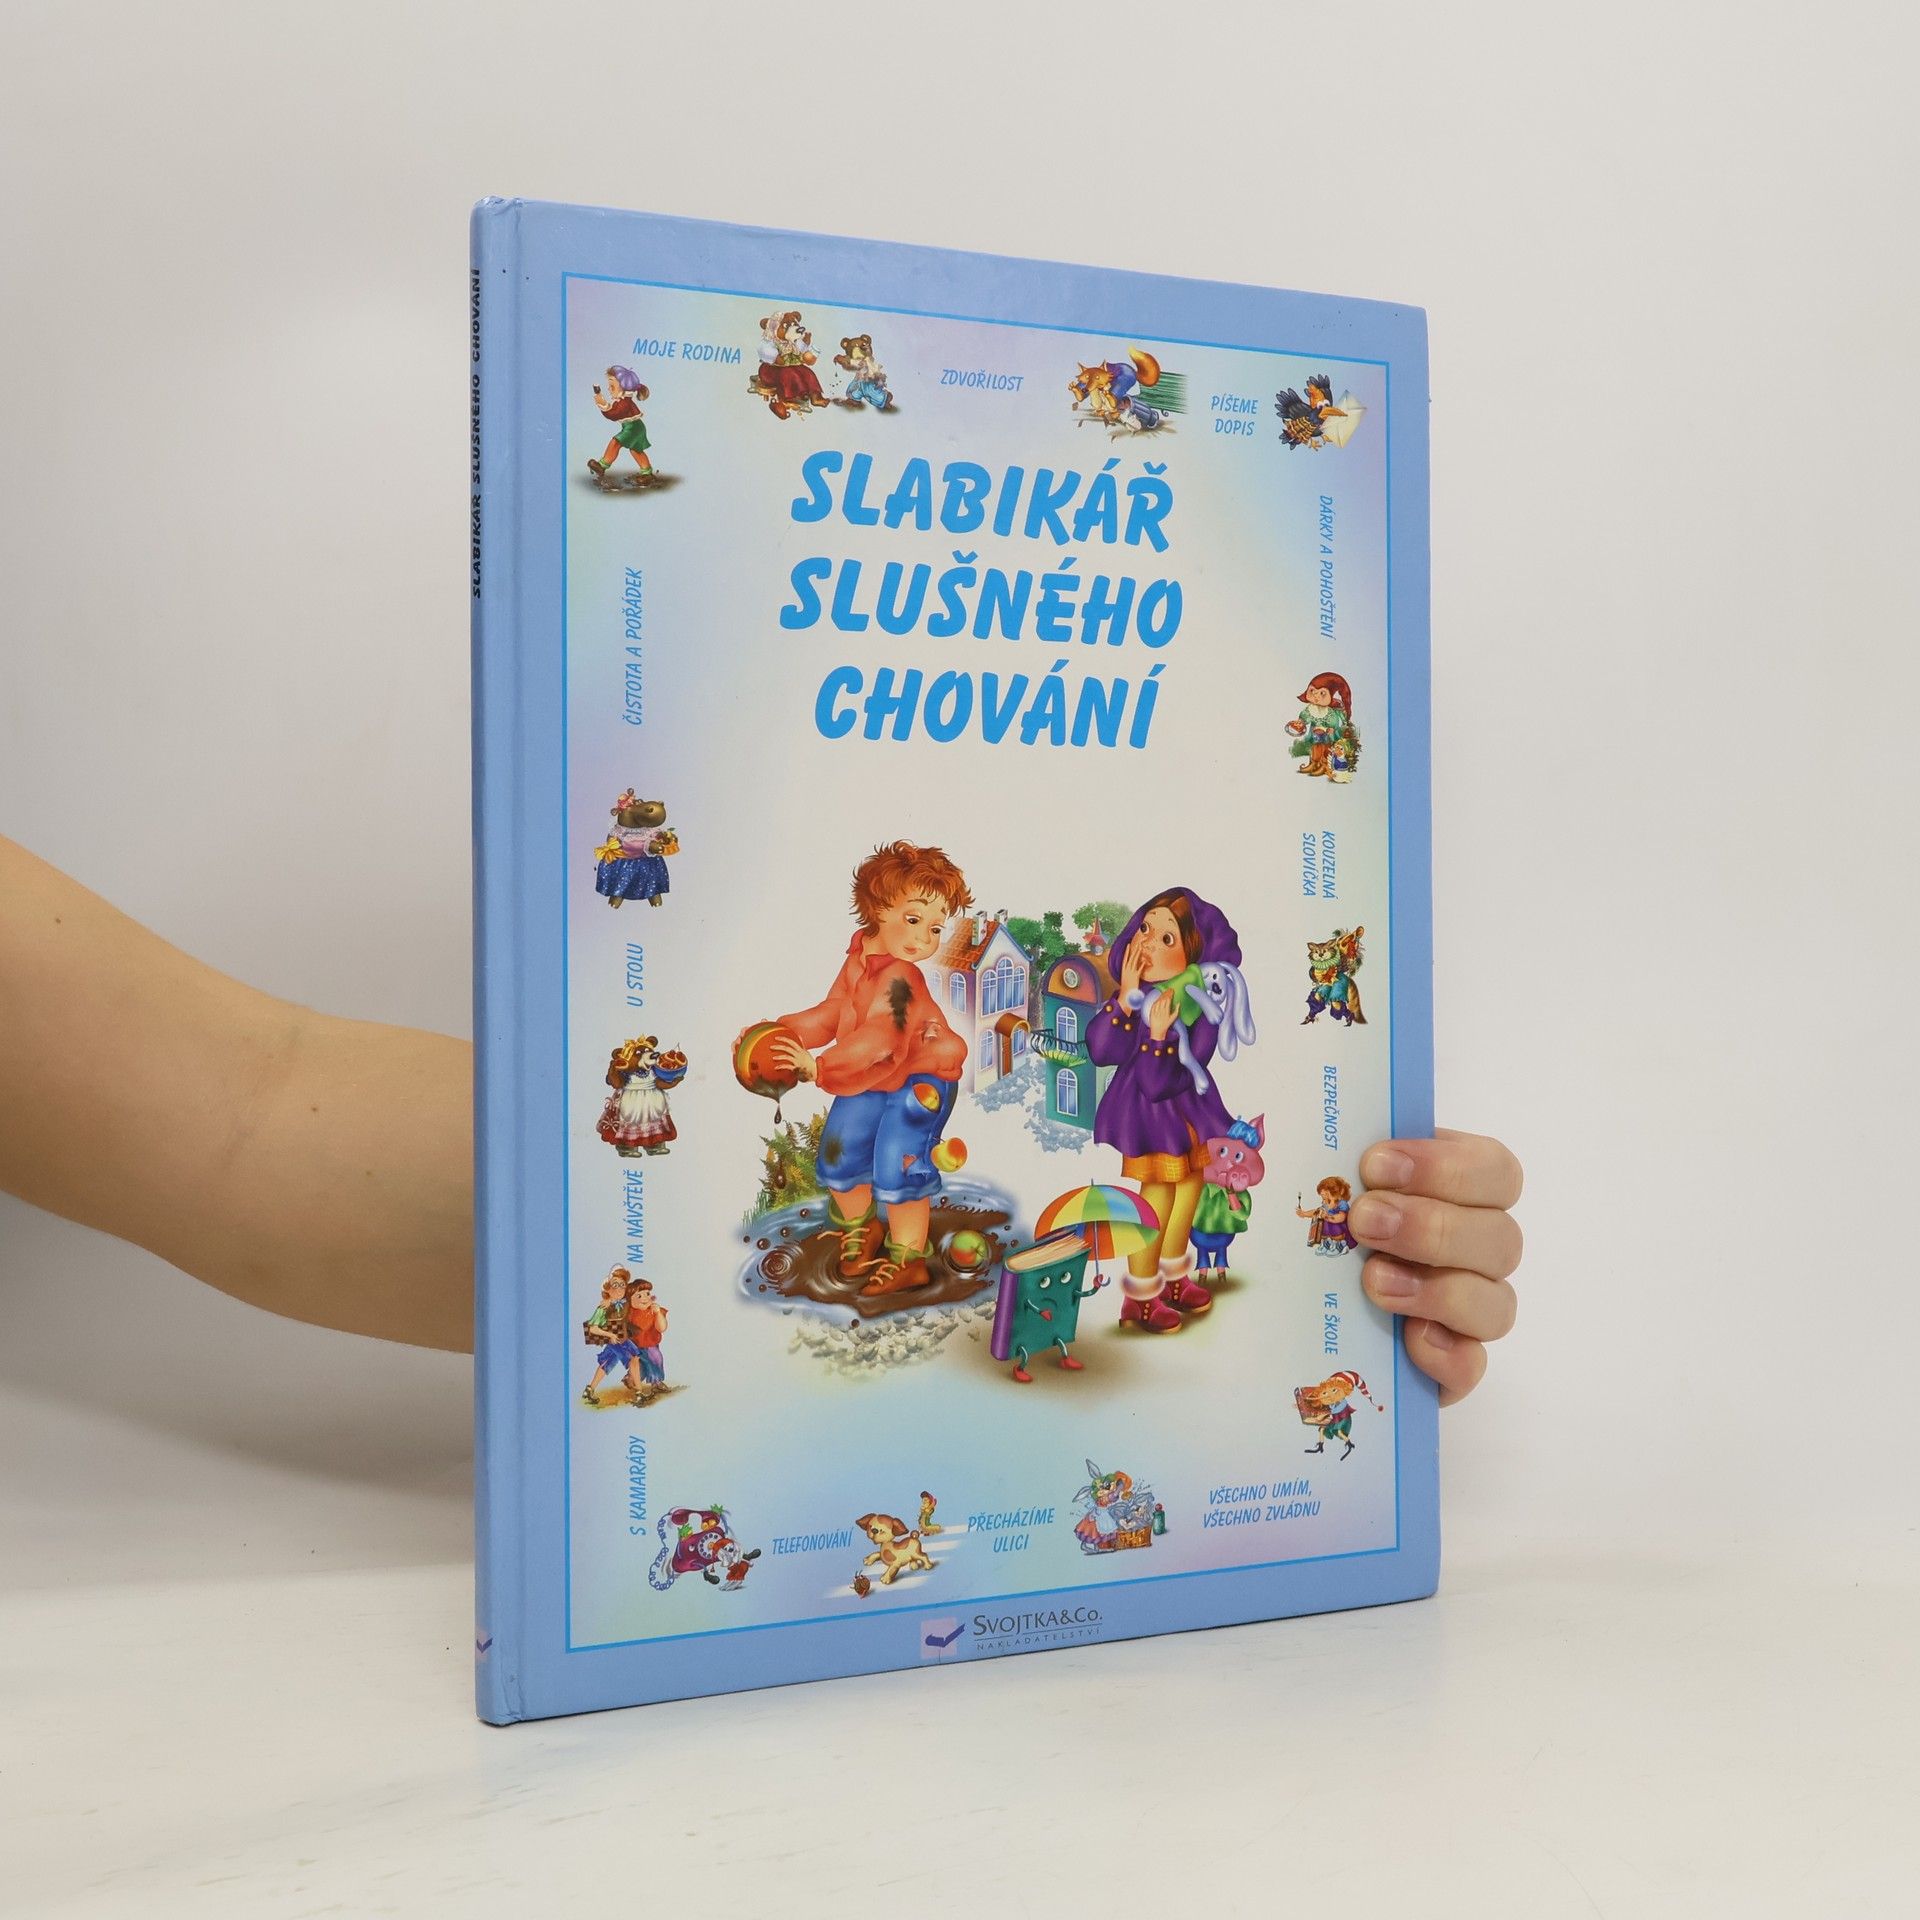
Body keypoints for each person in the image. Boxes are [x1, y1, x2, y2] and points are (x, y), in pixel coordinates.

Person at [0, 833, 1523, 1401]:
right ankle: (880, 1251)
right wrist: (784, 1050)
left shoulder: (946, 990)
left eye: (933, 918)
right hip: (868, 1113)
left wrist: (1321, 1301)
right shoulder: (866, 972)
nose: (921, 933)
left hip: (926, 1114)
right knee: (868, 1194)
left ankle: (931, 1256)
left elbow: (250, 1114)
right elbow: (248, 1118)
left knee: (919, 1194)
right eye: (910, 916)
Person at [765, 841, 972, 1299]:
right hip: (872, 1073)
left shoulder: (902, 976)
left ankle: (908, 1260)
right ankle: (862, 1230)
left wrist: (819, 1066)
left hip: (920, 1079)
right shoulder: (858, 960)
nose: (924, 939)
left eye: (935, 928)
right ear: (878, 908)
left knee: (899, 1162)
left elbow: (883, 1037)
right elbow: (833, 1013)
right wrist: (778, 1033)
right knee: (839, 1153)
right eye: (914, 919)